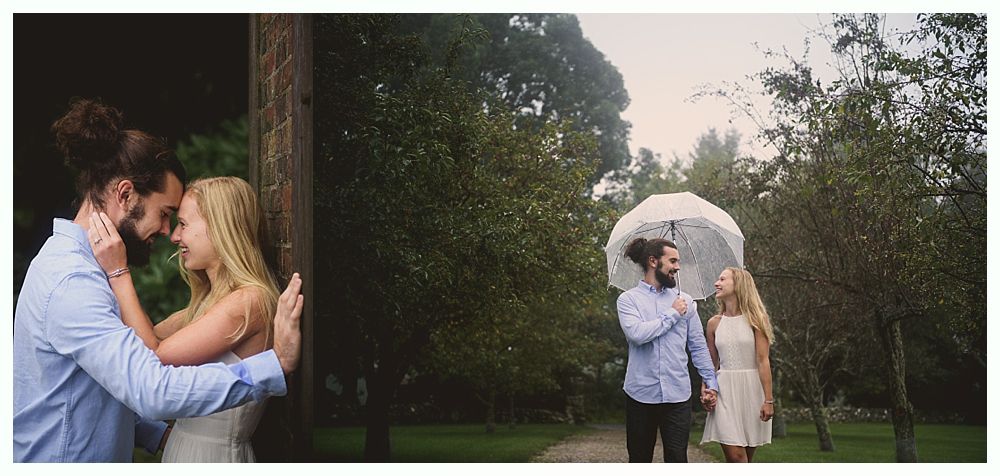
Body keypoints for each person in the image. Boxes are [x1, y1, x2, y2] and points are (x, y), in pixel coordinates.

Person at [13, 98, 304, 462]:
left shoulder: (85, 271)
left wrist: (159, 436)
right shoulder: (72, 282)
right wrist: (273, 365)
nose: (168, 232)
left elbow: (100, 384)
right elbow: (151, 388)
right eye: (165, 214)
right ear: (125, 194)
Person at [87, 176, 278, 462]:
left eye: (184, 224)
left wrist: (118, 271)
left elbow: (154, 355)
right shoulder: (210, 302)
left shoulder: (249, 301)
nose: (175, 236)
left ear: (220, 228)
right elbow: (142, 338)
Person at [617, 237, 720, 463]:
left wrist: (711, 382)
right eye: (672, 261)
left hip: (678, 394)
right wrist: (672, 314)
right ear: (653, 261)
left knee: (677, 458)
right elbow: (637, 335)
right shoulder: (628, 300)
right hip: (640, 394)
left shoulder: (686, 301)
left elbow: (698, 345)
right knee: (639, 459)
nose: (678, 267)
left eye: (678, 261)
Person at [700, 267, 774, 462]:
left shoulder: (757, 320)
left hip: (752, 392)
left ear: (738, 284)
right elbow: (710, 364)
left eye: (722, 279)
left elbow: (763, 360)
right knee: (736, 457)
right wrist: (705, 390)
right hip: (724, 391)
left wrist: (768, 400)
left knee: (745, 460)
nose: (717, 283)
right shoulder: (713, 323)